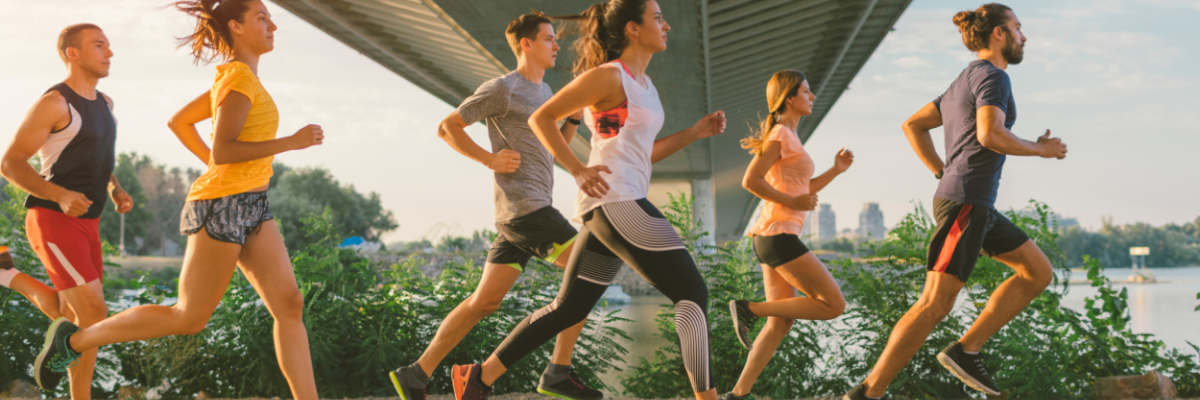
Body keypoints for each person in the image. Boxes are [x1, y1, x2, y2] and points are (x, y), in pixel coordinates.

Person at [33, 2, 326, 399]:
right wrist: (289, 143)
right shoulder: (238, 79)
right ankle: (75, 342)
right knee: (189, 317)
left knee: (289, 303)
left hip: (253, 204)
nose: (272, 24)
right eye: (262, 17)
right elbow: (223, 150)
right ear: (237, 27)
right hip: (221, 205)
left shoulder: (238, 79)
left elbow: (179, 122)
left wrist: (219, 163)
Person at [448, 1, 727, 400]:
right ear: (632, 28)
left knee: (569, 308)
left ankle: (477, 379)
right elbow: (540, 118)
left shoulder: (643, 86)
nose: (667, 26)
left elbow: (639, 152)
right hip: (617, 201)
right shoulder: (607, 76)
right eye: (658, 17)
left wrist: (694, 133)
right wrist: (577, 169)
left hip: (610, 207)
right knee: (692, 293)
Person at [844, 3, 1067, 399]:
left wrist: (939, 171)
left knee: (1037, 272)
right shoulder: (993, 77)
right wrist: (1041, 149)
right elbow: (990, 135)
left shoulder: (966, 77)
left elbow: (912, 125)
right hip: (965, 203)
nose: (1024, 36)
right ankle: (867, 393)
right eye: (1018, 28)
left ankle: (966, 349)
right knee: (933, 304)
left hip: (973, 203)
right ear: (999, 33)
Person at [387, 12, 604, 400]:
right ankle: (557, 371)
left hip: (519, 216)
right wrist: (489, 159)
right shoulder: (504, 88)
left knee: (484, 302)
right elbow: (447, 127)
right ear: (527, 44)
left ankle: (416, 374)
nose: (557, 46)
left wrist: (572, 117)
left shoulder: (545, 93)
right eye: (549, 39)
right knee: (590, 272)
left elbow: (553, 150)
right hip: (527, 210)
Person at [1, 23, 133, 397]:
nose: (109, 52)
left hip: (89, 223)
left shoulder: (106, 104)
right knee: (93, 315)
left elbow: (97, 154)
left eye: (108, 45)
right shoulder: (55, 103)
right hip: (53, 220)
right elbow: (10, 163)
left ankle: (7, 275)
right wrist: (58, 194)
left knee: (73, 314)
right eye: (98, 45)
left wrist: (115, 186)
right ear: (72, 53)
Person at [724, 69, 851, 400]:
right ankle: (749, 308)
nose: (812, 97)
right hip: (777, 236)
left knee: (780, 323)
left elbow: (804, 190)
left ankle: (737, 395)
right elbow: (751, 180)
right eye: (806, 92)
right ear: (789, 98)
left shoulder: (788, 137)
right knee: (833, 305)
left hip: (771, 236)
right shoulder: (781, 134)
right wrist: (792, 201)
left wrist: (835, 171)